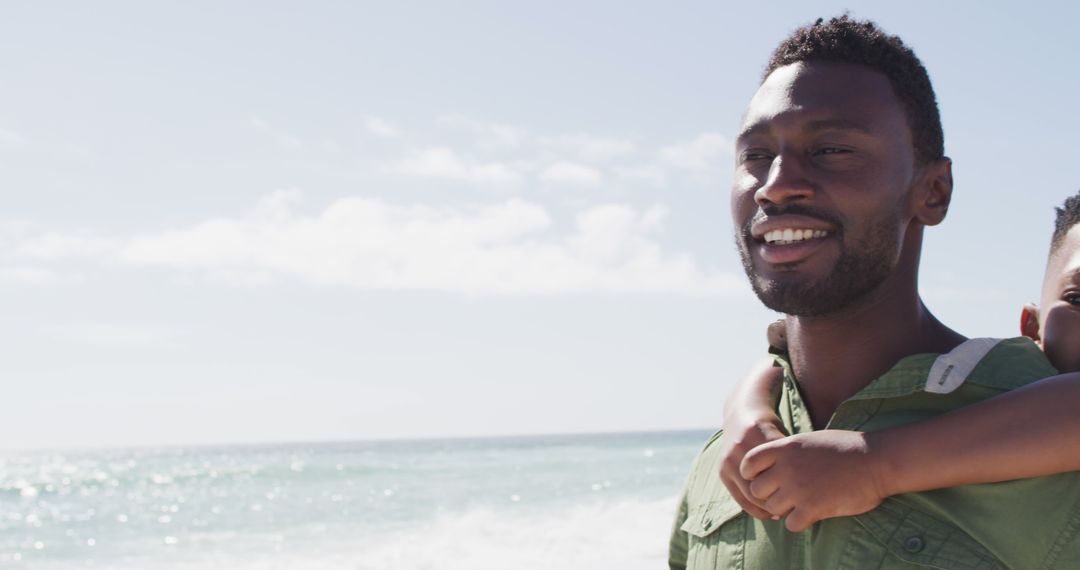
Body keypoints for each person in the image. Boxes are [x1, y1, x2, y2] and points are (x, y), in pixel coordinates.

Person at [668, 15, 1080, 570]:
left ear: (932, 191)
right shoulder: (727, 458)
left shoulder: (1038, 426)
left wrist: (876, 463)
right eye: (755, 155)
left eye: (833, 149)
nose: (777, 183)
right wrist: (748, 398)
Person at [719, 190, 1080, 533]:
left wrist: (870, 465)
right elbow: (781, 359)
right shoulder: (994, 395)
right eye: (1078, 298)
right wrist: (747, 410)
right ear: (1032, 325)